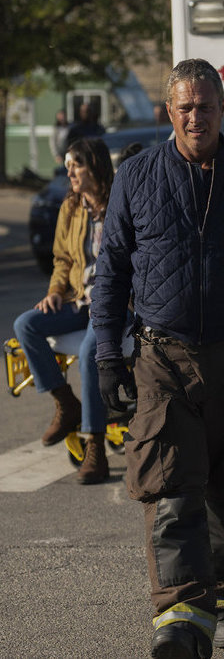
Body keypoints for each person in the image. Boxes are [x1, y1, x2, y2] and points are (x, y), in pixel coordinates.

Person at [91, 59, 224, 658]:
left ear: (223, 108)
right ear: (168, 112)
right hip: (162, 357)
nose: (195, 117)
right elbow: (111, 273)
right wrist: (108, 354)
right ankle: (179, 620)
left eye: (205, 106)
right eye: (184, 107)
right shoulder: (137, 177)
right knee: (174, 489)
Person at [13, 137, 117, 485]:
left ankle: (96, 449)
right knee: (25, 324)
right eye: (69, 165)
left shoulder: (120, 204)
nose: (69, 172)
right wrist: (55, 291)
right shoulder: (70, 208)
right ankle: (65, 401)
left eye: (77, 165)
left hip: (114, 303)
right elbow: (63, 259)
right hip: (77, 299)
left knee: (90, 351)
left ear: (96, 167)